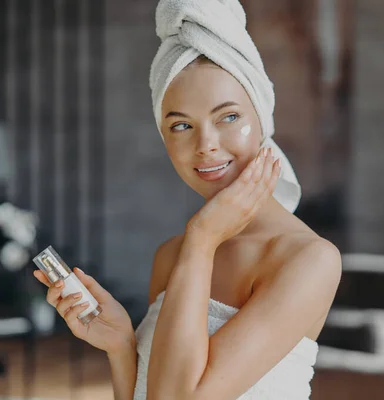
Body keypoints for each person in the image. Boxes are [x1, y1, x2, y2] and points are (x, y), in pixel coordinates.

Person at [34, 0, 341, 398]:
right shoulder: (172, 255)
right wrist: (123, 347)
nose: (206, 146)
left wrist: (202, 239)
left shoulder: (307, 259)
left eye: (228, 117)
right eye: (181, 125)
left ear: (262, 119)